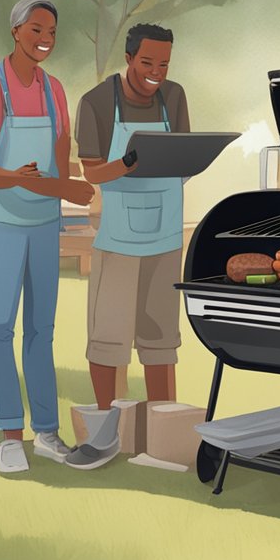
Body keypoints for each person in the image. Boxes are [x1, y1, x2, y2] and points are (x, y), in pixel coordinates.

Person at [0, 0, 94, 473]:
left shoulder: (55, 90)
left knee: (42, 329)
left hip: (45, 222)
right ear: (15, 31)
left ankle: (47, 433)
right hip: (5, 221)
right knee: (0, 327)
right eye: (37, 30)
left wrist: (73, 189)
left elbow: (59, 163)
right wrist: (15, 177)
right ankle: (9, 434)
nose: (45, 40)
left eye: (52, 33)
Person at [66, 24, 190, 469]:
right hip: (118, 238)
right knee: (108, 339)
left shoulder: (174, 96)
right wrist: (130, 162)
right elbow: (93, 173)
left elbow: (183, 158)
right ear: (129, 57)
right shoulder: (97, 102)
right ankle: (104, 437)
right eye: (147, 63)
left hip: (165, 237)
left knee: (161, 342)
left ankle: (164, 439)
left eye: (164, 64)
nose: (156, 72)